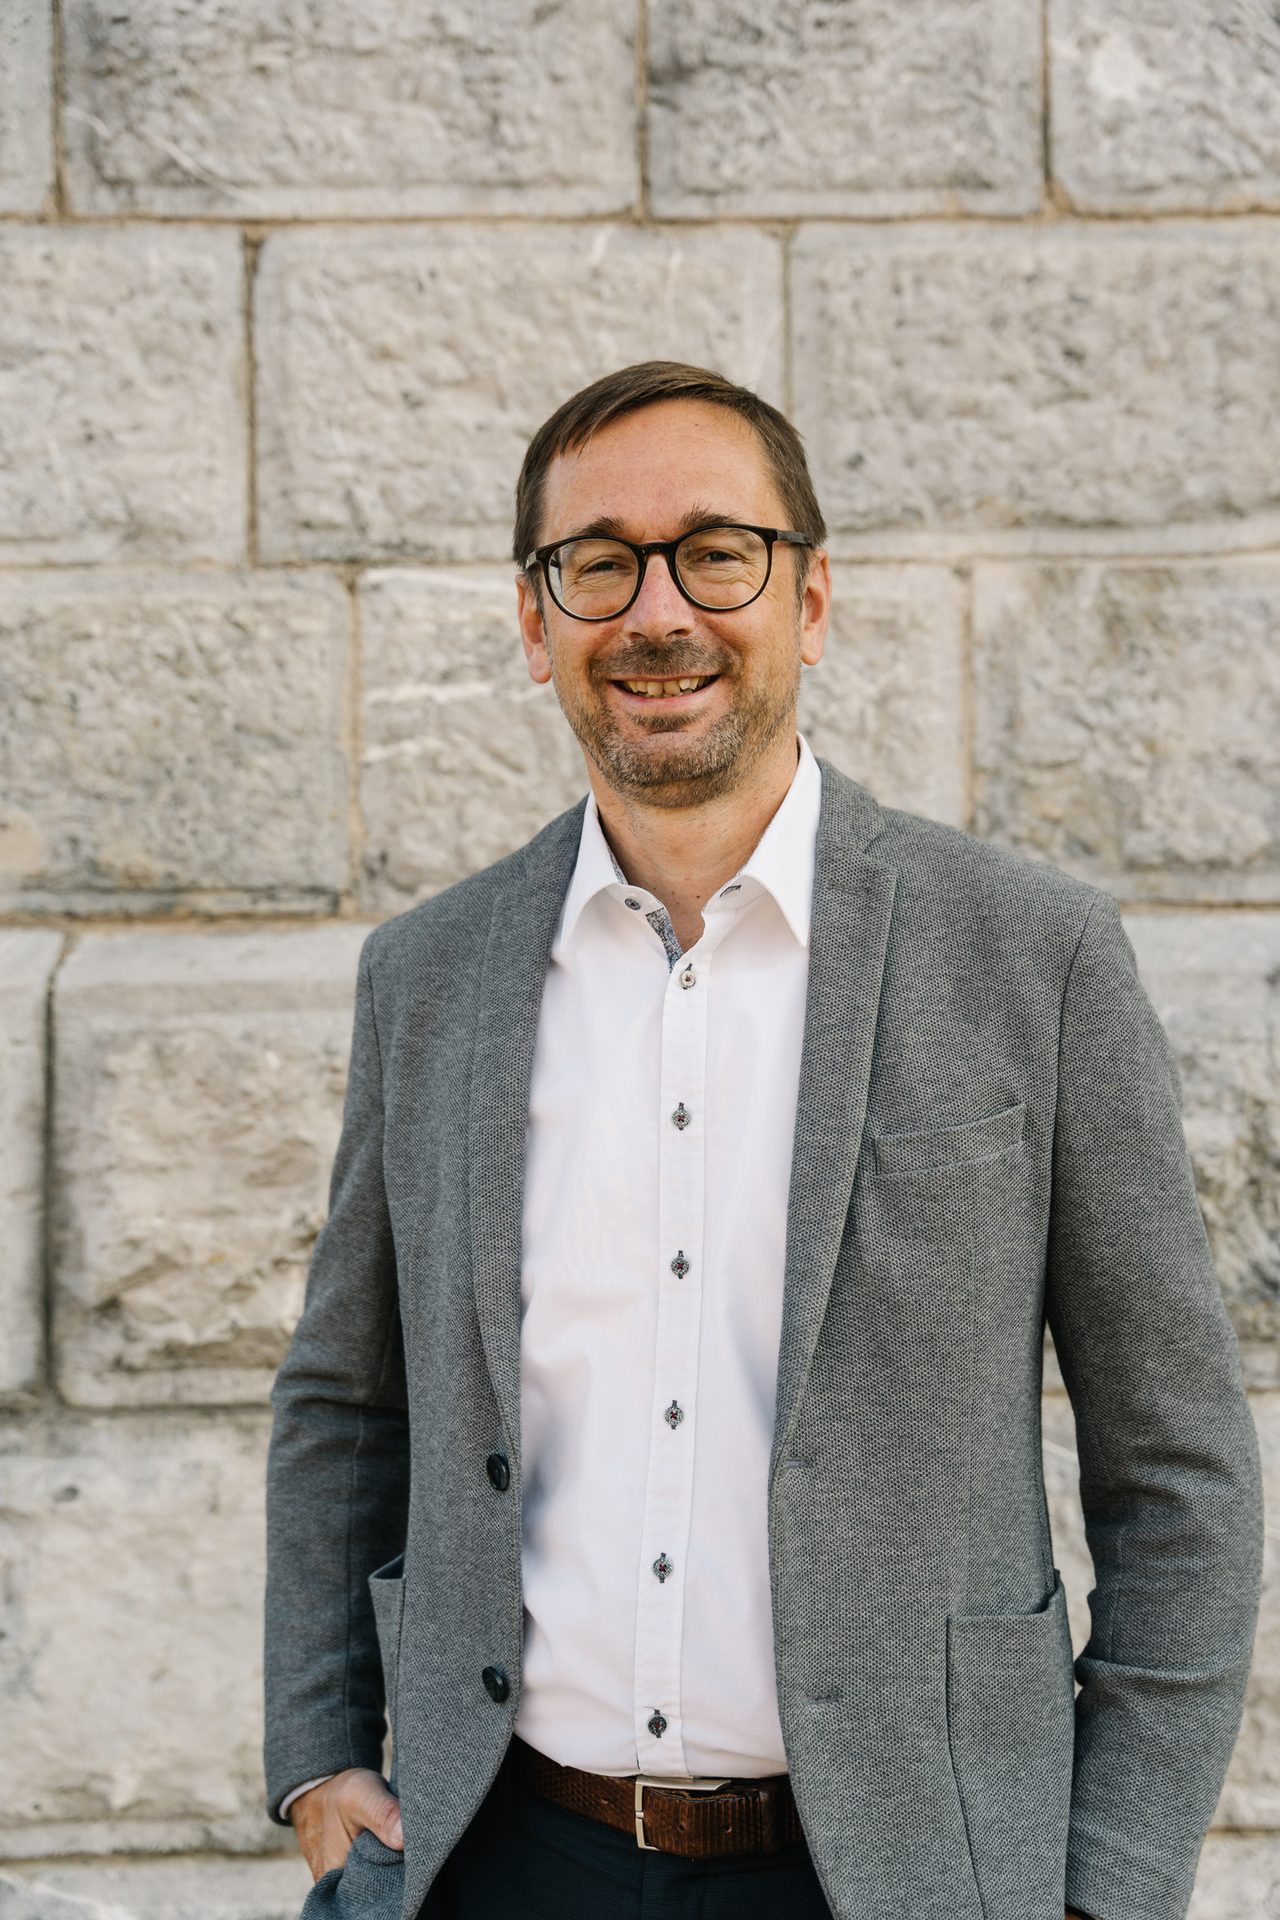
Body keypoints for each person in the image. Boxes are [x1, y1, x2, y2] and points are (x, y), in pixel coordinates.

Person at [263, 361, 1264, 1920]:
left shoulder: (1031, 956)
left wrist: (1112, 1886)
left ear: (809, 600)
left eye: (718, 552)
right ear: (536, 626)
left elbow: (1181, 1467)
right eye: (596, 562)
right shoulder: (431, 977)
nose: (658, 610)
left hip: (906, 1875)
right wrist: (323, 1761)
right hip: (501, 1859)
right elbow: (343, 1397)